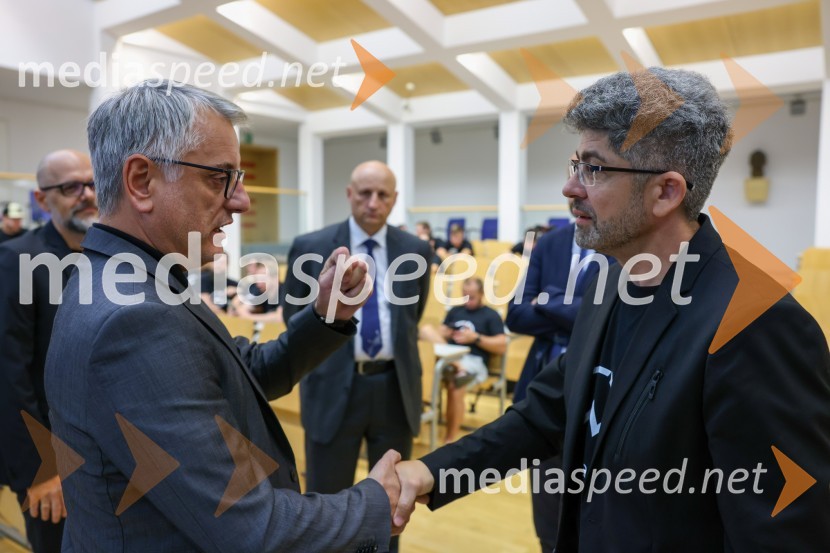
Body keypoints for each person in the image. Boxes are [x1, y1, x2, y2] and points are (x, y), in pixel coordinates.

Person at [394, 68, 830, 551]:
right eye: (575, 163)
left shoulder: (757, 322)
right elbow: (548, 413)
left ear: (665, 192)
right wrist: (429, 473)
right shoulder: (609, 279)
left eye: (594, 169)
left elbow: (780, 534)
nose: (570, 187)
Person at [44, 81, 401, 552]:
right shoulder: (132, 319)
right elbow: (251, 528)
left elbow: (239, 373)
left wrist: (325, 315)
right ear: (141, 181)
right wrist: (375, 502)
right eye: (219, 178)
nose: (241, 201)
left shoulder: (125, 278)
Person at [282, 160, 431, 552]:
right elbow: (294, 319)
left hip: (393, 389)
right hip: (332, 387)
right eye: (364, 193)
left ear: (395, 199)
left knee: (390, 506)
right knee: (327, 501)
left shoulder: (415, 251)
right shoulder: (310, 247)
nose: (373, 202)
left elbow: (409, 319)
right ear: (349, 194)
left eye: (383, 194)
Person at [0, 150, 98, 553]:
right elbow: (9, 374)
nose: (87, 195)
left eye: (93, 184)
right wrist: (41, 471)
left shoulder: (112, 256)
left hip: (114, 456)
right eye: (71, 187)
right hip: (53, 463)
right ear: (43, 200)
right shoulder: (17, 260)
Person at [505, 221, 604, 551]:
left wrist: (547, 302)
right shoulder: (549, 244)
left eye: (590, 170)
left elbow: (605, 313)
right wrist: (571, 308)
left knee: (594, 515)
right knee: (548, 516)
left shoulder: (625, 236)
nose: (576, 186)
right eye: (573, 170)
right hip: (546, 391)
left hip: (600, 397)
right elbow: (516, 314)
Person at [420, 277, 506, 443]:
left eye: (471, 297)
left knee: (457, 384)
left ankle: (450, 439)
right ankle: (456, 366)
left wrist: (475, 338)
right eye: (464, 296)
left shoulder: (491, 315)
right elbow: (439, 331)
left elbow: (502, 345)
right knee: (426, 330)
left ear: (481, 294)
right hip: (450, 356)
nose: (467, 300)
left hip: (473, 360)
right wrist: (446, 332)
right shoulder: (455, 311)